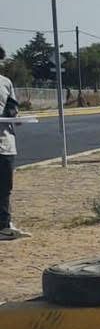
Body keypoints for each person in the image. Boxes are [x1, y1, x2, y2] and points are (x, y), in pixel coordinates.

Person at [0, 47, 30, 240]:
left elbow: (12, 107)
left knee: (4, 187)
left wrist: (14, 116)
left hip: (5, 144)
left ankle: (4, 226)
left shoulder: (5, 82)